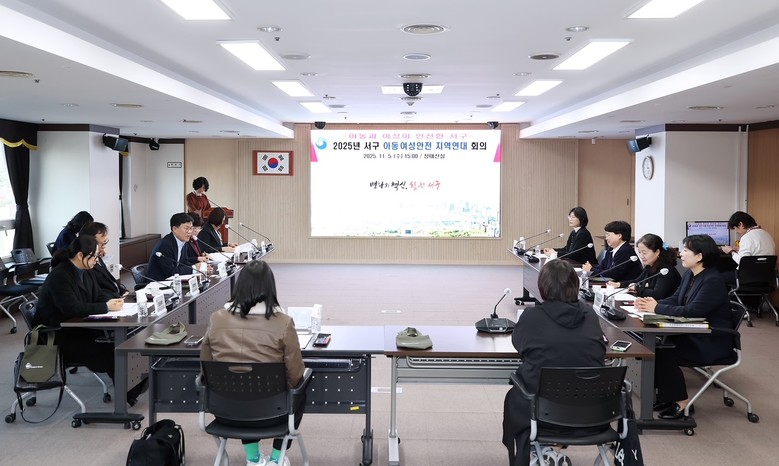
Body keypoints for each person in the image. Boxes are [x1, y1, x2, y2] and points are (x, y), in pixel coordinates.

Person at [502, 259, 606, 466]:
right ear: (575, 286)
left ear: (543, 286)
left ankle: (543, 449)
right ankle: (552, 450)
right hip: (593, 413)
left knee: (517, 390)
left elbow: (520, 345)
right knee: (567, 386)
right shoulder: (589, 314)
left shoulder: (532, 316)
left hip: (542, 412)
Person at [201, 260, 305, 466]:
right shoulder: (283, 322)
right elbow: (295, 375)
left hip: (226, 412)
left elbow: (206, 366)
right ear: (270, 288)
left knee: (240, 386)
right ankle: (276, 458)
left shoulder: (216, 319)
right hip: (275, 414)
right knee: (300, 388)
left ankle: (253, 458)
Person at [32, 235, 152, 400]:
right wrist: (106, 307)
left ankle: (134, 387)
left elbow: (97, 294)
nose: (97, 259)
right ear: (80, 255)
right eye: (94, 256)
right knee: (113, 351)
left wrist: (113, 300)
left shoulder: (85, 271)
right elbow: (71, 309)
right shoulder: (60, 276)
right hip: (58, 335)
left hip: (79, 327)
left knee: (126, 341)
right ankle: (127, 395)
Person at [634, 235, 732, 419]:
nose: (681, 254)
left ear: (699, 256)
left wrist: (657, 308)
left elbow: (693, 311)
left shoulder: (712, 280)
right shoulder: (690, 274)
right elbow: (676, 299)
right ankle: (667, 396)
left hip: (711, 339)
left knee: (664, 351)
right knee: (656, 346)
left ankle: (682, 402)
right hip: (693, 332)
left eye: (686, 250)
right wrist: (652, 303)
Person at [608, 233, 681, 300]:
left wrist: (637, 288)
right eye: (640, 252)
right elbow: (637, 281)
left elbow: (657, 295)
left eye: (644, 253)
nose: (641, 256)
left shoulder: (666, 271)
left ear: (657, 252)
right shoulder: (649, 266)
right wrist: (619, 284)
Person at [145, 212, 202, 281]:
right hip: (158, 283)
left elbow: (184, 262)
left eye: (191, 228)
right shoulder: (165, 244)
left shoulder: (183, 241)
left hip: (173, 281)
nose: (189, 232)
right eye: (186, 228)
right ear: (174, 229)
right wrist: (194, 268)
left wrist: (199, 267)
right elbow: (170, 271)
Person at [79, 221, 128, 298]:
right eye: (101, 243)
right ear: (89, 243)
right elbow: (96, 293)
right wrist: (117, 297)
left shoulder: (98, 257)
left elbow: (109, 280)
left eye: (105, 242)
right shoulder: (86, 264)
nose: (104, 246)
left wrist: (123, 291)